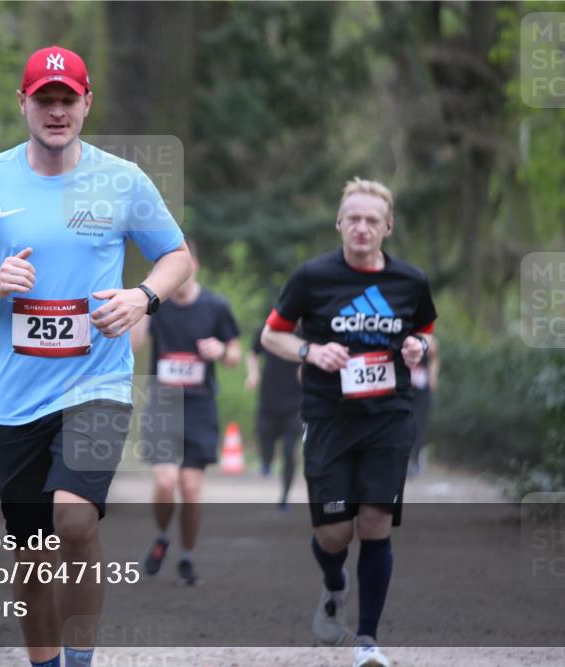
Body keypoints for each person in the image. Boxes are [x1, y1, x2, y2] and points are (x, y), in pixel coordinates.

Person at [0, 45, 192, 667]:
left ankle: (81, 662)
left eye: (66, 99)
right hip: (17, 399)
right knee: (30, 552)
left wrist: (142, 296)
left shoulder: (121, 179)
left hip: (96, 385)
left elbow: (178, 257)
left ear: (86, 103)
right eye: (43, 99)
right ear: (23, 103)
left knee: (74, 524)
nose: (56, 111)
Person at [260, 178, 436, 667]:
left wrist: (418, 348)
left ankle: (367, 640)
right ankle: (335, 583)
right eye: (353, 219)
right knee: (334, 533)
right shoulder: (312, 277)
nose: (362, 228)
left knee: (375, 523)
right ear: (339, 223)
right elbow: (271, 336)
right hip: (328, 418)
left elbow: (424, 333)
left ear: (388, 228)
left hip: (389, 417)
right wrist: (311, 350)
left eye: (372, 221)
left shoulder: (410, 281)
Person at [130, 239, 241, 585]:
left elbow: (236, 355)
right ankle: (163, 536)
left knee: (190, 487)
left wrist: (221, 350)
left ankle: (187, 557)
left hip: (199, 405)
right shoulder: (156, 305)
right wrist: (146, 295)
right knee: (165, 481)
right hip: (163, 404)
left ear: (194, 264)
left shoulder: (215, 306)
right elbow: (133, 344)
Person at [246, 323, 303, 509]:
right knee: (265, 439)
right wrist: (253, 374)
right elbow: (253, 352)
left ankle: (285, 497)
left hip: (296, 402)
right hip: (269, 398)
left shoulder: (308, 331)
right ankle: (266, 461)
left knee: (289, 450)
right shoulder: (269, 329)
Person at [408, 335, 439, 477]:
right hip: (405, 389)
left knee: (418, 423)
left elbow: (434, 358)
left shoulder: (430, 339)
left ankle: (415, 460)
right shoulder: (403, 331)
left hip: (422, 389)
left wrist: (432, 376)